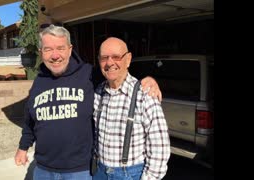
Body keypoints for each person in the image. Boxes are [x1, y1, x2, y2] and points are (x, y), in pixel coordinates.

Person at [14, 25, 162, 180]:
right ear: (41, 52)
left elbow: (115, 73)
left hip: (79, 171)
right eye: (48, 49)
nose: (55, 55)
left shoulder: (89, 74)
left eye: (60, 48)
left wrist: (148, 79)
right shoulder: (39, 81)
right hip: (44, 170)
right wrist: (23, 147)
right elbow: (29, 119)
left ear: (70, 49)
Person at [93, 37, 171, 180]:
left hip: (130, 174)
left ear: (128, 59)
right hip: (100, 172)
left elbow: (159, 148)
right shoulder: (98, 92)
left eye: (116, 57)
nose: (109, 63)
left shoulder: (145, 94)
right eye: (104, 58)